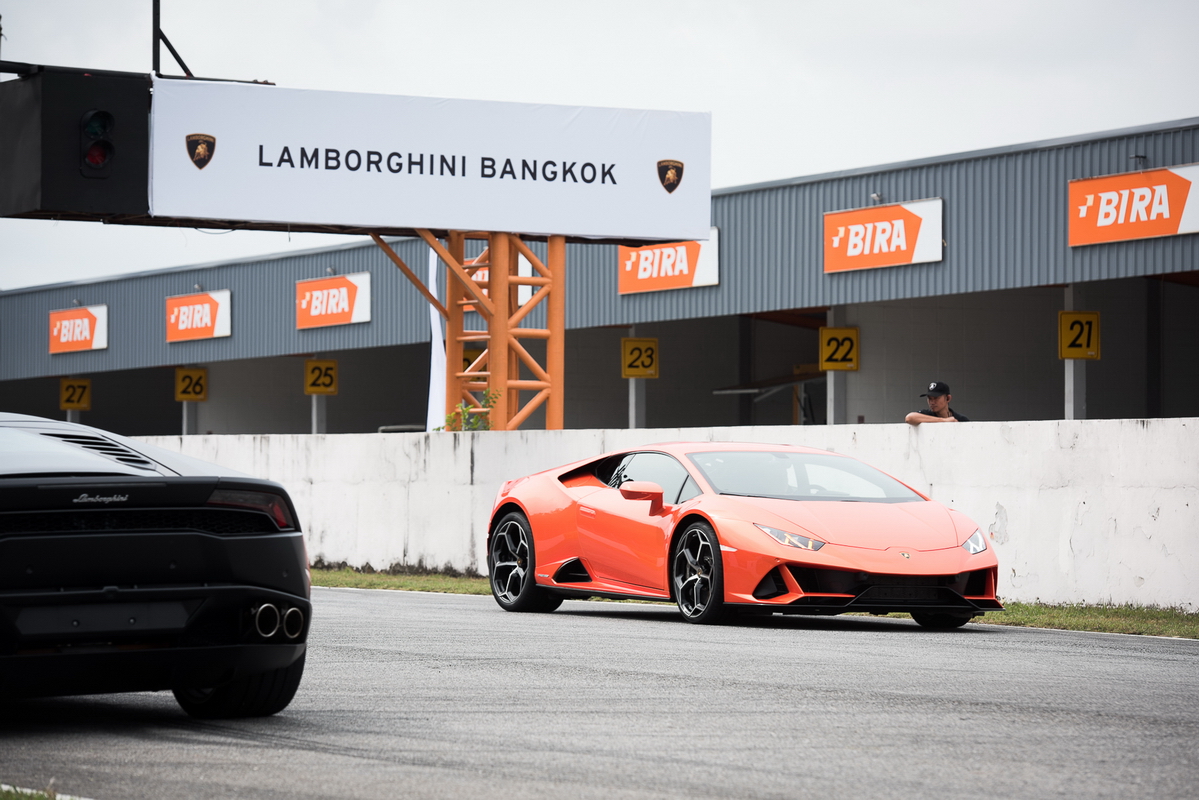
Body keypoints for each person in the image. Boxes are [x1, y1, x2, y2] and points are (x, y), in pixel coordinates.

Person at [905, 381, 969, 425]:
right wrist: (944, 420)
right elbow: (909, 418)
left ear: (948, 398)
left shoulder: (961, 419)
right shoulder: (926, 415)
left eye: (936, 398)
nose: (932, 402)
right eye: (930, 398)